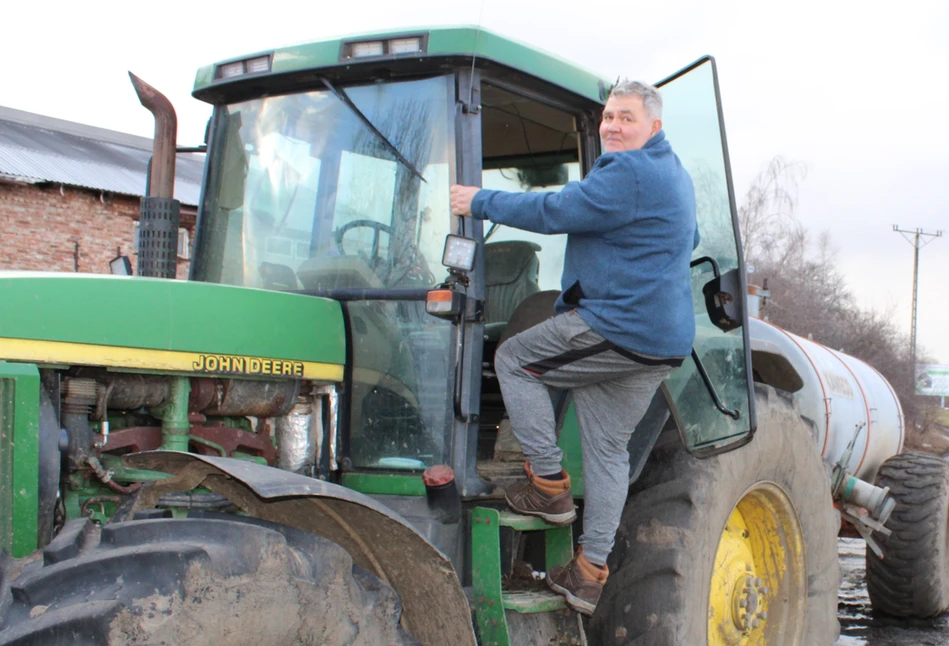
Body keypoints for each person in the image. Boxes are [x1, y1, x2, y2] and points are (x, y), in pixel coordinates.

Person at [448, 80, 698, 616]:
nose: (612, 126)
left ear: (653, 126)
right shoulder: (673, 174)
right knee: (608, 449)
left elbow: (555, 213)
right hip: (661, 340)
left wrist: (478, 199)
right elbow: (688, 240)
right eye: (608, 116)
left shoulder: (628, 171)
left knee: (514, 360)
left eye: (625, 118)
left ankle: (548, 484)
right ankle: (587, 573)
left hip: (618, 327)